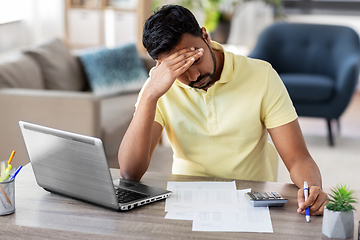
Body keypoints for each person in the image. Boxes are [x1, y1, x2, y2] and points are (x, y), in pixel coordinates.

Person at [118, 4, 328, 215]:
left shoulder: (262, 76)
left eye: (195, 60)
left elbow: (298, 158)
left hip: (252, 199)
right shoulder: (158, 89)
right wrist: (148, 96)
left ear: (205, 36)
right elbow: (130, 173)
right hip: (187, 199)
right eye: (178, 68)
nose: (193, 76)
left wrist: (311, 188)